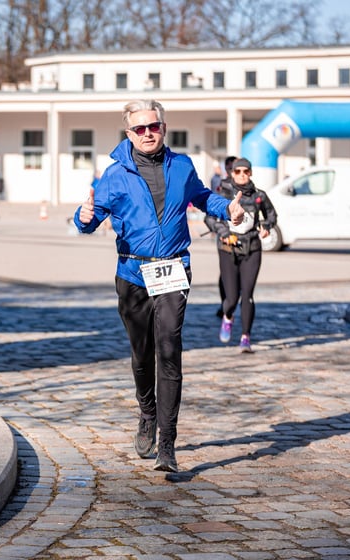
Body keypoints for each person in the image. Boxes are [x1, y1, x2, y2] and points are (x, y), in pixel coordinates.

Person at [74, 99, 244, 472]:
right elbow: (90, 218)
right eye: (140, 129)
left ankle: (167, 444)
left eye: (154, 127)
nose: (148, 133)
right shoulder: (115, 174)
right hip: (132, 274)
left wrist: (227, 206)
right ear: (128, 133)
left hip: (173, 270)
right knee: (142, 354)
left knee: (169, 349)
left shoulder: (182, 165)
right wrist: (83, 217)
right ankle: (147, 412)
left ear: (164, 128)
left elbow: (202, 197)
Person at [205, 157, 277, 353]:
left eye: (246, 171)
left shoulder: (259, 195)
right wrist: (224, 233)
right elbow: (210, 217)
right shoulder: (223, 192)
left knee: (248, 295)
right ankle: (228, 316)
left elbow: (271, 215)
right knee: (231, 297)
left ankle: (246, 337)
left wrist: (266, 227)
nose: (242, 175)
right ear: (232, 173)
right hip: (228, 249)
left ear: (251, 173)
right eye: (238, 172)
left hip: (252, 248)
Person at [210, 155, 239, 317]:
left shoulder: (246, 186)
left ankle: (233, 301)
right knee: (226, 272)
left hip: (244, 237)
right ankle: (225, 304)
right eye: (228, 168)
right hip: (224, 234)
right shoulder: (221, 186)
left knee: (241, 273)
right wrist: (221, 230)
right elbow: (211, 211)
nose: (231, 171)